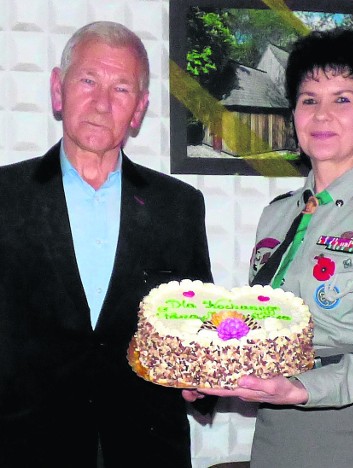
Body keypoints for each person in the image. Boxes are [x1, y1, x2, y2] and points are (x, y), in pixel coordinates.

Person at [183, 29, 353, 467]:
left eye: (342, 99)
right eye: (309, 99)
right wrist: (210, 372)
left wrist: (301, 388)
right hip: (279, 431)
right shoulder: (276, 215)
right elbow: (258, 331)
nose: (322, 115)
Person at [0, 21, 213, 467]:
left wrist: (203, 375)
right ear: (58, 90)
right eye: (88, 80)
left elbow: (201, 327)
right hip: (26, 448)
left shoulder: (179, 207)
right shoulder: (6, 196)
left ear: (139, 110)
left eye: (121, 89)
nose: (101, 103)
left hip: (147, 451)